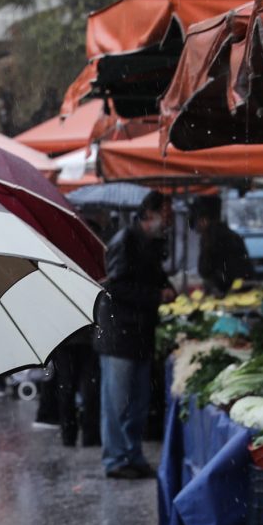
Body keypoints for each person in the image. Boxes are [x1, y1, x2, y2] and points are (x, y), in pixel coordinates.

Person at [94, 193, 172, 481]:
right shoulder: (125, 241)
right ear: (149, 214)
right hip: (119, 335)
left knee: (137, 402)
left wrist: (167, 288)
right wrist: (157, 295)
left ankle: (132, 454)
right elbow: (117, 286)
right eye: (166, 215)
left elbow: (151, 278)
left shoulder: (150, 243)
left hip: (138, 334)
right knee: (117, 403)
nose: (169, 222)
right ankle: (115, 459)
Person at [189, 193, 256, 295]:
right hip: (239, 289)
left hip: (227, 292)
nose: (197, 230)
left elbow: (205, 269)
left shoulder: (211, 238)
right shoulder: (231, 235)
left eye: (197, 222)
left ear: (204, 220)